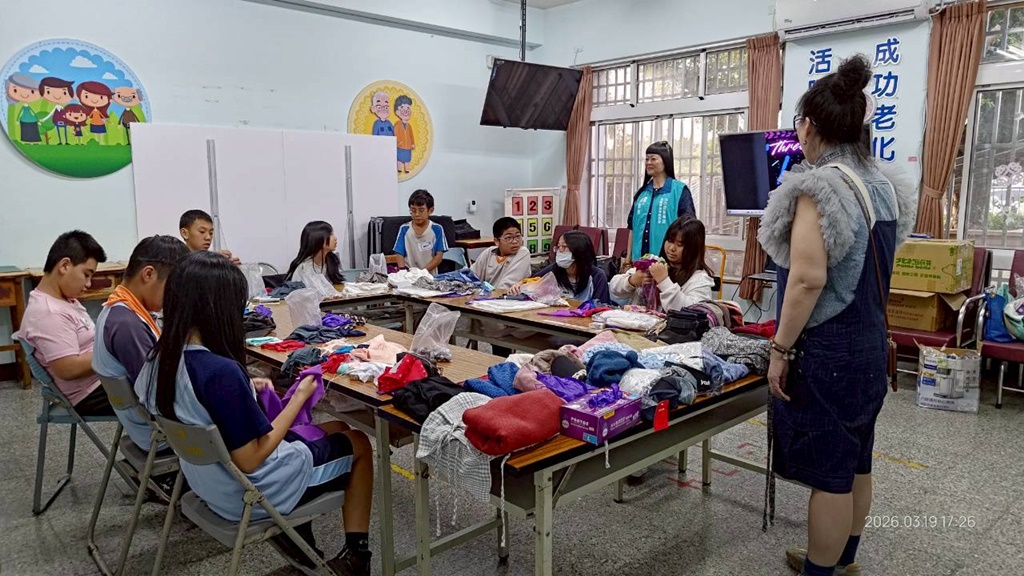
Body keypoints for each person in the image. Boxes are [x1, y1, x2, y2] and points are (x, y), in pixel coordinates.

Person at [758, 56, 915, 576]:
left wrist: (779, 350)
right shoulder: (883, 185)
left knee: (830, 476)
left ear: (809, 126)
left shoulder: (820, 188)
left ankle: (820, 571)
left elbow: (807, 280)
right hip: (871, 344)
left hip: (828, 352)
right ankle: (844, 561)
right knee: (857, 460)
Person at [135, 252, 374, 574]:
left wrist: (244, 389)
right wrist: (298, 397)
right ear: (219, 307)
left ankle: (301, 542)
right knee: (359, 442)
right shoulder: (220, 372)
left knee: (334, 427)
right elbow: (250, 459)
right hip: (251, 492)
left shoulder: (159, 359)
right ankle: (357, 558)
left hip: (207, 482)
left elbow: (194, 402)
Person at [92, 235, 189, 450]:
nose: (174, 297)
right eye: (172, 288)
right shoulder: (126, 325)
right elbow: (159, 395)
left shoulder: (119, 309)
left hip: (147, 426)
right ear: (148, 274)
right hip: (162, 435)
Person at [18, 231, 112, 415]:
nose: (88, 284)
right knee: (160, 393)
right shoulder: (48, 312)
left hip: (102, 380)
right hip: (90, 393)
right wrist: (114, 350)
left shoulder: (64, 300)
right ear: (64, 265)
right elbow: (68, 368)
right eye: (86, 274)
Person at [610, 217, 714, 311]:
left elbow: (692, 313)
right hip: (638, 323)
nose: (672, 248)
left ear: (693, 248)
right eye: (670, 241)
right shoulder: (655, 263)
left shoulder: (700, 279)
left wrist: (664, 281)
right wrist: (631, 281)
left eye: (680, 244)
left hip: (670, 327)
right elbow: (613, 288)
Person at [626, 141, 696, 263]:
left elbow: (689, 229)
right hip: (639, 264)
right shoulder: (641, 194)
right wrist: (627, 259)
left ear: (665, 161)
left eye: (653, 159)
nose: (648, 162)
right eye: (647, 159)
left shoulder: (679, 191)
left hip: (667, 263)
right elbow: (632, 228)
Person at [510, 230, 609, 303]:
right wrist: (521, 284)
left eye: (564, 247)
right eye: (558, 246)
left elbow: (602, 308)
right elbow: (533, 281)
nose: (559, 251)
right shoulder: (554, 269)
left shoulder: (597, 276)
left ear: (579, 251)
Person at [393, 189, 448, 274]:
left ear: (430, 210)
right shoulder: (404, 229)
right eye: (413, 210)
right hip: (409, 275)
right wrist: (402, 271)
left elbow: (438, 256)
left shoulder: (437, 229)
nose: (417, 214)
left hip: (429, 275)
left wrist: (423, 272)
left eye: (421, 210)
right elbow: (399, 253)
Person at [470, 217, 531, 291]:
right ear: (497, 241)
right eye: (509, 238)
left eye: (518, 236)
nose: (515, 241)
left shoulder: (522, 253)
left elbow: (506, 286)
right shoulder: (489, 253)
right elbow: (471, 276)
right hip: (486, 295)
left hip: (506, 296)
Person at [285, 220, 345, 285]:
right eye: (331, 234)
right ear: (318, 238)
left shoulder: (331, 260)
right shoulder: (304, 268)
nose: (335, 238)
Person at [6, 73, 42, 143]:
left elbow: (33, 113)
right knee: (26, 131)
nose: (24, 94)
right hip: (24, 120)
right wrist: (17, 120)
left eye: (32, 91)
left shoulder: (29, 107)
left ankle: (34, 140)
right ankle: (27, 140)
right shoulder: (22, 107)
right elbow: (20, 113)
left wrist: (37, 120)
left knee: (32, 130)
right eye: (15, 90)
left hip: (31, 120)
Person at [39, 77, 74, 145]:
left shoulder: (64, 109)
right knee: (58, 131)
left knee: (65, 131)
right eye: (48, 92)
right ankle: (60, 141)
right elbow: (50, 114)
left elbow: (67, 115)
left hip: (64, 121)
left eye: (64, 92)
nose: (57, 96)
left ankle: (66, 141)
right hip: (56, 121)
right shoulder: (55, 108)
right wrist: (43, 119)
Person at [394, 94, 415, 173]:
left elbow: (411, 135)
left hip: (408, 147)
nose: (406, 111)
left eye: (408, 108)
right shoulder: (397, 124)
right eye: (402, 108)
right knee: (399, 158)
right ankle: (399, 168)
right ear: (397, 112)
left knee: (407, 159)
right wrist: (398, 142)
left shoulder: (409, 126)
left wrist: (412, 143)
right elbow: (396, 133)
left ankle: (407, 169)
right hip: (400, 146)